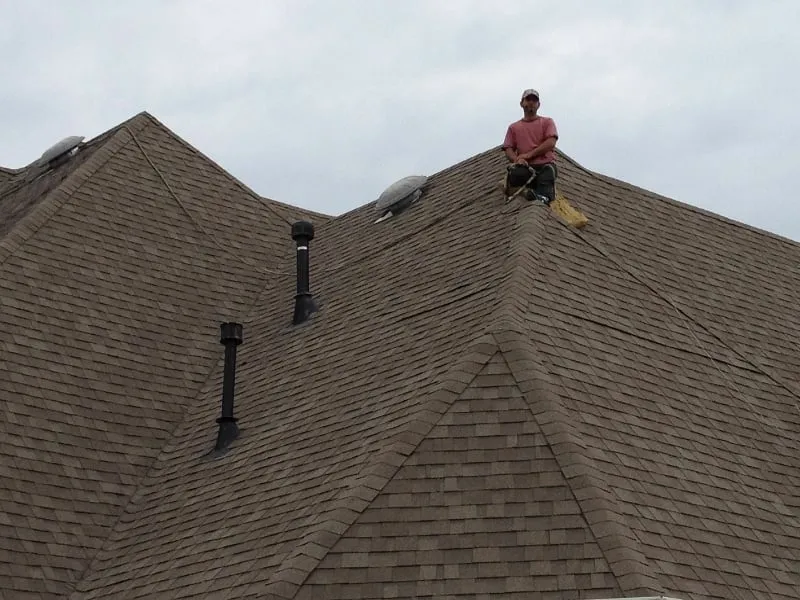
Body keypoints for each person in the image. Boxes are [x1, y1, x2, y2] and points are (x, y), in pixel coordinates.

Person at [502, 89, 559, 203]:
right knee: (515, 174)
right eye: (528, 99)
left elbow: (551, 142)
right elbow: (508, 148)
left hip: (544, 165)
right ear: (522, 103)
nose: (531, 102)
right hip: (526, 168)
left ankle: (543, 197)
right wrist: (516, 160)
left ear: (539, 104)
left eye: (534, 100)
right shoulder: (514, 127)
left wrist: (528, 155)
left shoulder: (547, 122)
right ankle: (530, 192)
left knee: (548, 172)